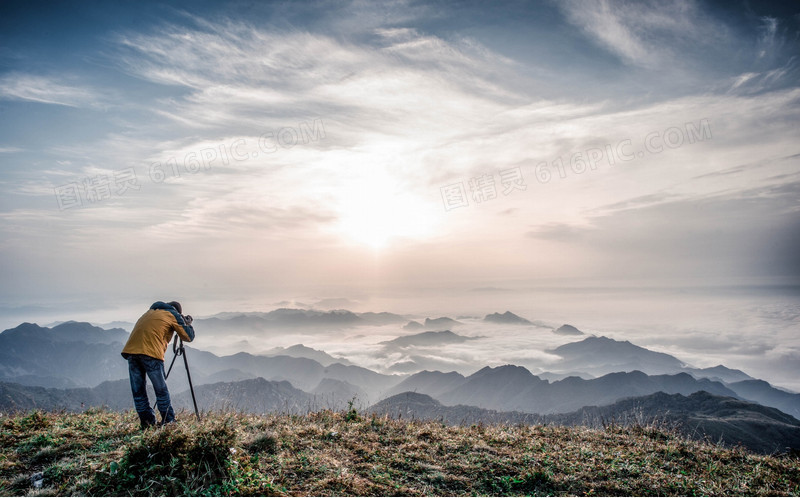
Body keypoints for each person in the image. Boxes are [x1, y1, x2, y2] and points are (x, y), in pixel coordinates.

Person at [121, 301, 195, 429]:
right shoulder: (173, 314)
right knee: (161, 390)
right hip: (151, 353)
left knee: (139, 392)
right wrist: (186, 323)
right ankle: (169, 421)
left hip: (131, 351)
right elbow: (188, 336)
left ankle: (147, 422)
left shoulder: (150, 312)